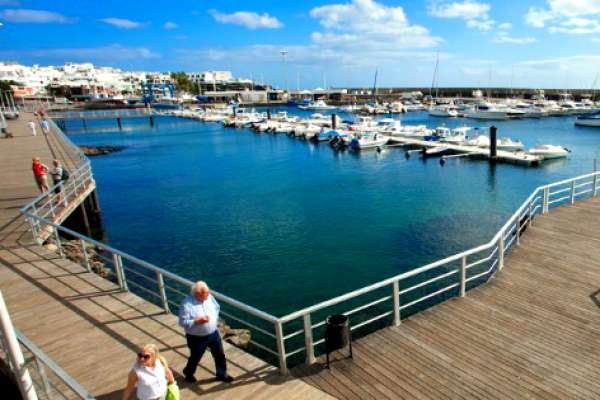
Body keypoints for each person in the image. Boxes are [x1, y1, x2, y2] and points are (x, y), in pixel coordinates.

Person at [178, 281, 234, 384]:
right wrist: (196, 321)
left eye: (208, 293)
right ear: (197, 294)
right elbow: (182, 322)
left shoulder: (209, 297)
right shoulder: (186, 304)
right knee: (195, 357)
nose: (208, 295)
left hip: (213, 333)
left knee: (219, 354)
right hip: (196, 338)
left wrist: (214, 319)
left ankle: (221, 374)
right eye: (205, 294)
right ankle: (188, 373)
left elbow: (217, 307)